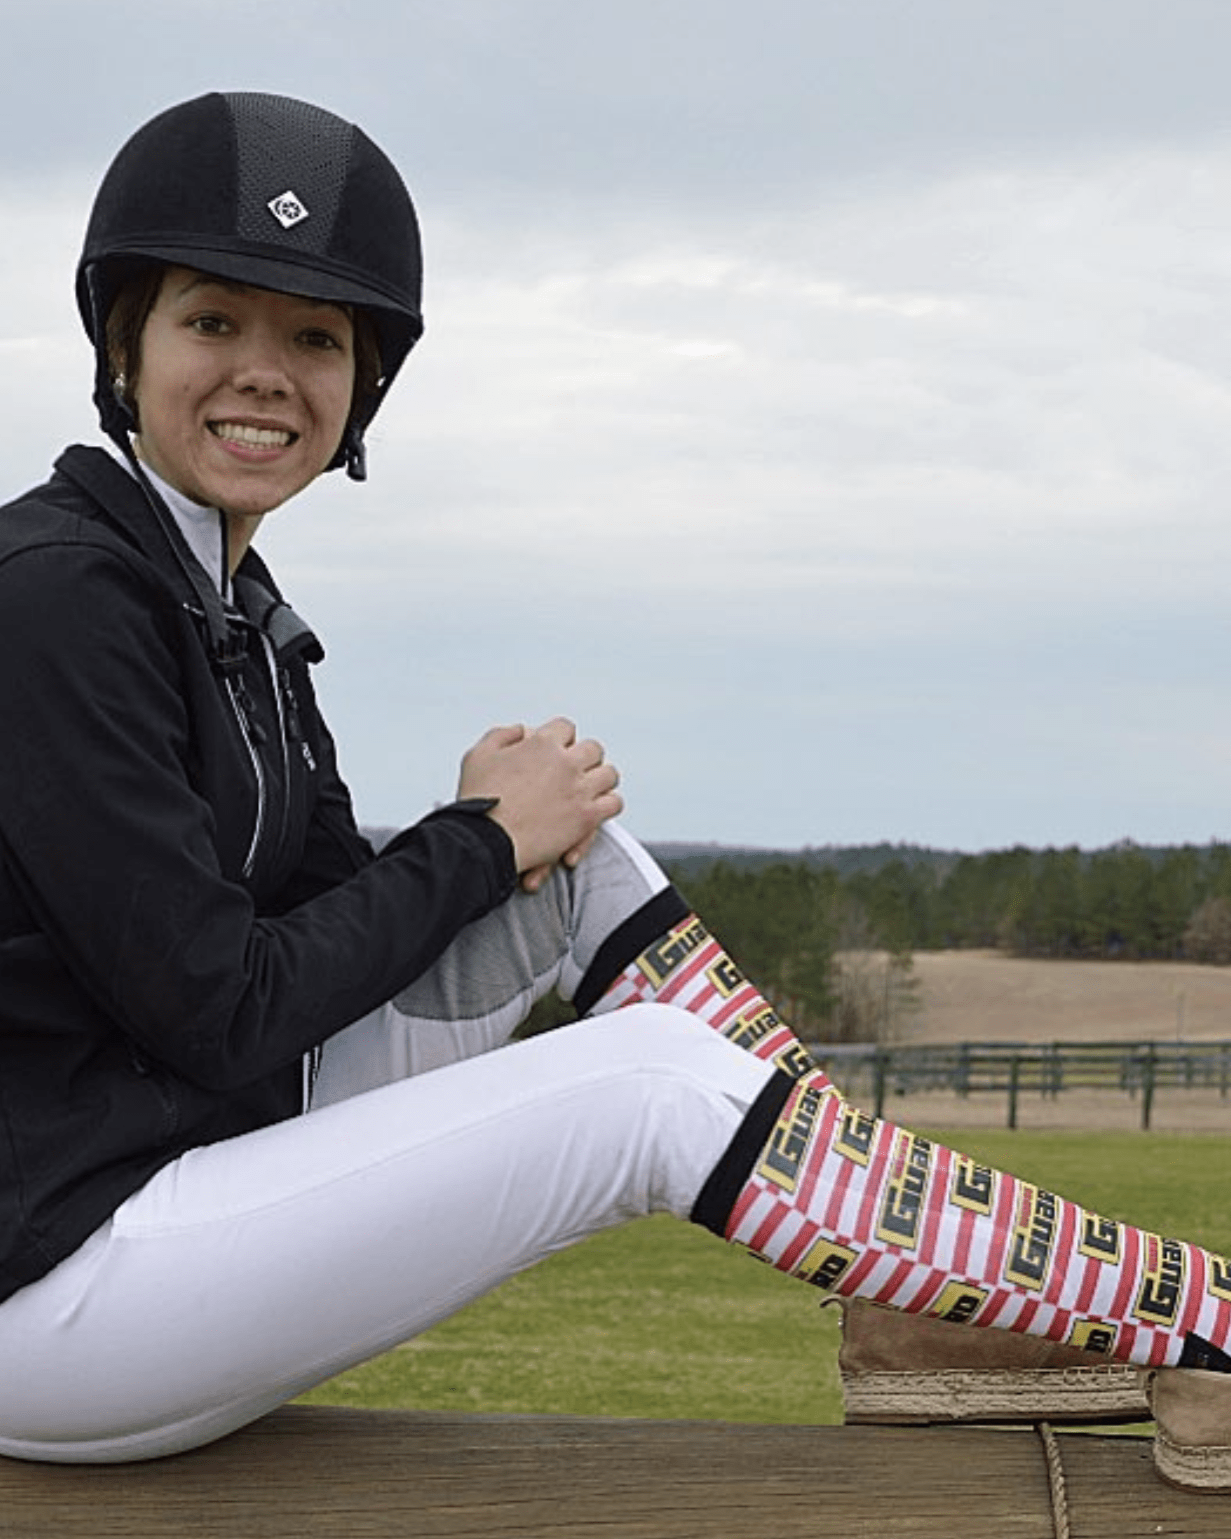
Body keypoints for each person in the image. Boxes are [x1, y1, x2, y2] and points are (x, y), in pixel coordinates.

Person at [0, 91, 1227, 1491]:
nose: (265, 371)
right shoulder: (55, 600)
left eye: (316, 336)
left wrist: (497, 844)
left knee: (573, 854)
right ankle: (1202, 1314)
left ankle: (919, 1300)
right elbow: (218, 1006)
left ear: (363, 382)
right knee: (643, 1085)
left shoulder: (236, 612)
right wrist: (469, 843)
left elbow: (329, 933)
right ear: (124, 340)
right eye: (214, 320)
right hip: (55, 1280)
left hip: (187, 1174)